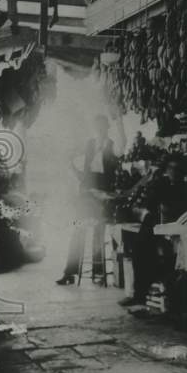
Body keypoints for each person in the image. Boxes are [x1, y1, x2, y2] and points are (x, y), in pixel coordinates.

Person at [119, 153, 187, 308]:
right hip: (156, 226)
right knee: (140, 250)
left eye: (177, 169)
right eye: (171, 168)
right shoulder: (160, 183)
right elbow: (149, 204)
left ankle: (169, 300)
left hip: (178, 228)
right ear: (166, 169)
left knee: (170, 259)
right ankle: (139, 295)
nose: (174, 172)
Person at [56, 115, 117, 285]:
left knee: (98, 232)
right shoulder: (90, 144)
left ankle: (98, 272)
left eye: (102, 127)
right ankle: (69, 272)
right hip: (86, 194)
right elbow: (86, 171)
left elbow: (111, 173)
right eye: (97, 127)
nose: (99, 129)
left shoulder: (112, 146)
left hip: (103, 196)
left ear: (107, 127)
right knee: (77, 231)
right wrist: (74, 169)